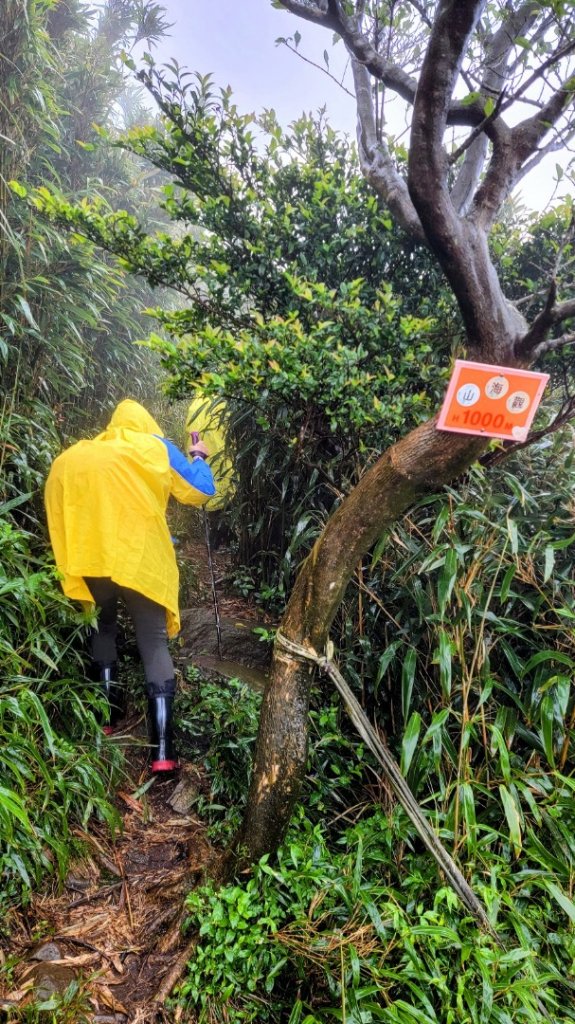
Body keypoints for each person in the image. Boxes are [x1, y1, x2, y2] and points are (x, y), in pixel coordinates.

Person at [44, 399, 215, 772]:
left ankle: (107, 718)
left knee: (103, 627)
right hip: (141, 560)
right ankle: (163, 753)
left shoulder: (90, 452)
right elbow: (200, 491)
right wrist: (198, 455)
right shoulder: (155, 447)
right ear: (147, 423)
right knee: (153, 641)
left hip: (95, 558)